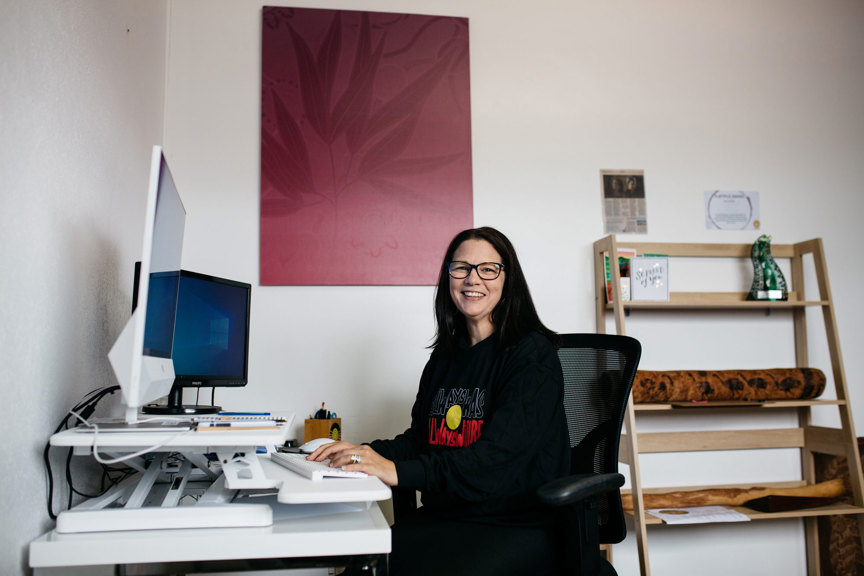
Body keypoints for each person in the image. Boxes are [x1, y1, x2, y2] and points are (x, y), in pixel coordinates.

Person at [309, 227, 570, 576]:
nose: (472, 279)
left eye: (488, 268)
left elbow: (495, 460)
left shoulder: (531, 356)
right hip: (447, 517)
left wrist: (396, 471)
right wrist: (361, 454)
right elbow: (421, 441)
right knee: (360, 567)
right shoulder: (445, 358)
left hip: (511, 524)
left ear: (508, 280)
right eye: (461, 267)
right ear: (448, 277)